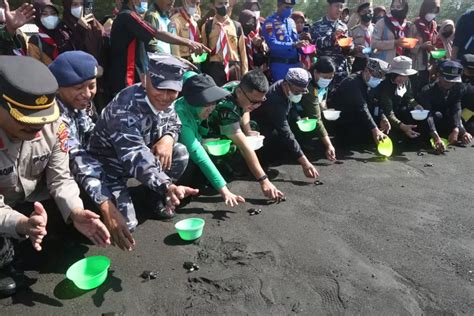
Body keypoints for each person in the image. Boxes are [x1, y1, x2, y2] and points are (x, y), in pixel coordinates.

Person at [0, 56, 111, 297]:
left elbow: (60, 178)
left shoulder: (53, 126)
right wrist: (19, 223)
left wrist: (75, 211)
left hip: (33, 198)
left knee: (86, 200)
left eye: (43, 120)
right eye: (26, 122)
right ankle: (4, 264)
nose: (37, 129)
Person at [87, 54, 199, 228]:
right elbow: (135, 155)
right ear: (145, 79)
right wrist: (167, 185)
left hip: (140, 162)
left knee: (179, 152)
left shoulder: (167, 99)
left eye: (172, 90)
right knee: (127, 225)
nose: (165, 96)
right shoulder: (125, 109)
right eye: (160, 88)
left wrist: (168, 138)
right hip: (108, 169)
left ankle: (153, 195)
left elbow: (175, 123)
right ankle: (92, 202)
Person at [48, 51, 135, 252]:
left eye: (92, 85)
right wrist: (106, 206)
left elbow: (95, 136)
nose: (87, 94)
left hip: (88, 169)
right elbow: (78, 158)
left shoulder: (82, 103)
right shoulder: (55, 116)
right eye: (78, 87)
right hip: (62, 178)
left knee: (128, 223)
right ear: (58, 87)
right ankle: (64, 226)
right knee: (109, 224)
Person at [207, 70, 285, 201]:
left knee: (253, 126)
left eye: (261, 101)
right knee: (235, 147)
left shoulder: (239, 87)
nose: (256, 106)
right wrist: (264, 180)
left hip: (228, 123)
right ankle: (221, 168)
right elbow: (244, 146)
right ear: (239, 92)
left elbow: (245, 108)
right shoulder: (226, 106)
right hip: (209, 134)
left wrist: (247, 130)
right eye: (254, 101)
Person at [107, 0, 208, 97]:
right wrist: (188, 43)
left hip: (129, 77)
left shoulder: (130, 16)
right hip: (126, 78)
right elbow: (156, 33)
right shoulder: (128, 16)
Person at [175, 73, 246, 206]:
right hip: (165, 160)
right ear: (193, 100)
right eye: (207, 103)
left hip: (192, 145)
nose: (212, 108)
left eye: (214, 102)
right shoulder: (180, 114)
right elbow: (197, 153)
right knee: (185, 154)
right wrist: (224, 191)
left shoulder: (195, 110)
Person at [252, 68, 319, 179]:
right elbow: (285, 132)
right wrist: (305, 162)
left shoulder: (283, 88)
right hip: (260, 127)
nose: (299, 95)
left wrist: (298, 118)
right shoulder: (274, 99)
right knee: (279, 138)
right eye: (297, 92)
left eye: (303, 91)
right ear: (285, 84)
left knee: (295, 127)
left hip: (274, 121)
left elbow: (290, 108)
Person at [416, 60, 472, 152]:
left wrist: (459, 130)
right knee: (437, 115)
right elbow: (428, 116)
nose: (450, 84)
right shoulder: (427, 90)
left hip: (446, 119)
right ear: (439, 76)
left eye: (453, 81)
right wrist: (437, 138)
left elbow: (456, 108)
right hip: (430, 122)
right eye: (447, 80)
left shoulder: (458, 88)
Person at [332, 58, 389, 146]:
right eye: (376, 76)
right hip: (346, 121)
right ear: (366, 71)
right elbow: (362, 107)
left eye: (381, 77)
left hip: (361, 119)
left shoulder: (373, 83)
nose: (378, 79)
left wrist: (383, 117)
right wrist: (375, 130)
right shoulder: (352, 83)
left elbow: (375, 101)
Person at [370, 56, 422, 140]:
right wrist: (402, 126)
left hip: (398, 109)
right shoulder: (385, 85)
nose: (403, 79)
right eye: (400, 75)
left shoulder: (406, 81)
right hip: (382, 114)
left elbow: (408, 96)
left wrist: (416, 105)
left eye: (406, 75)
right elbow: (388, 112)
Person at [201, 0, 248, 86]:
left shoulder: (236, 26)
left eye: (226, 3)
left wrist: (244, 73)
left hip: (233, 67)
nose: (224, 6)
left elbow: (242, 52)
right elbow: (204, 51)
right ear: (212, 5)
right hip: (215, 68)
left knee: (233, 96)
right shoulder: (207, 26)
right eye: (220, 3)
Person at [299, 57, 337, 160]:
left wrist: (326, 110)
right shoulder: (309, 86)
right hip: (298, 114)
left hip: (312, 109)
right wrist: (329, 145)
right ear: (315, 72)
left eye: (331, 77)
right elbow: (315, 117)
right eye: (325, 77)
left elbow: (322, 100)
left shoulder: (322, 83)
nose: (328, 80)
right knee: (312, 121)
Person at [263, 0, 307, 82]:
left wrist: (304, 46)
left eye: (291, 7)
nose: (289, 10)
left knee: (295, 93)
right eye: (286, 7)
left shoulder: (291, 22)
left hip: (295, 65)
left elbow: (295, 40)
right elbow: (272, 44)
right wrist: (293, 45)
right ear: (279, 5)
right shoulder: (270, 22)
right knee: (281, 92)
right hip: (280, 66)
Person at [310, 0, 350, 88]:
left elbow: (346, 49)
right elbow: (313, 45)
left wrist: (349, 46)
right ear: (328, 6)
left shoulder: (343, 26)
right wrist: (331, 38)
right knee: (323, 100)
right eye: (336, 6)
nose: (339, 10)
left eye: (341, 7)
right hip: (324, 72)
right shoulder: (317, 25)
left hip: (341, 71)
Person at [28, 0, 75, 65]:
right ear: (37, 16)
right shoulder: (35, 42)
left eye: (53, 13)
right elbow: (34, 69)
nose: (50, 17)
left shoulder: (65, 35)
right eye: (44, 14)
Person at [409, 0, 440, 96]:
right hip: (415, 65)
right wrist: (421, 46)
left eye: (435, 11)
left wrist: (435, 50)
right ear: (424, 9)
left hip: (428, 66)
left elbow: (435, 43)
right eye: (431, 10)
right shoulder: (414, 25)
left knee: (424, 92)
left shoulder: (433, 26)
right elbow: (408, 46)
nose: (432, 14)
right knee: (413, 92)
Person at [350, 2, 374, 73]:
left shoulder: (378, 30)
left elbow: (381, 48)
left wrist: (367, 50)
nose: (367, 13)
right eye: (364, 12)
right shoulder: (353, 31)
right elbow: (349, 51)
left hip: (374, 62)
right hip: (359, 63)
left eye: (369, 11)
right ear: (359, 14)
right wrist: (355, 49)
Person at [460, 54, 474, 134]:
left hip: (470, 110)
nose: (470, 71)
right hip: (460, 110)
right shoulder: (457, 77)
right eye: (468, 69)